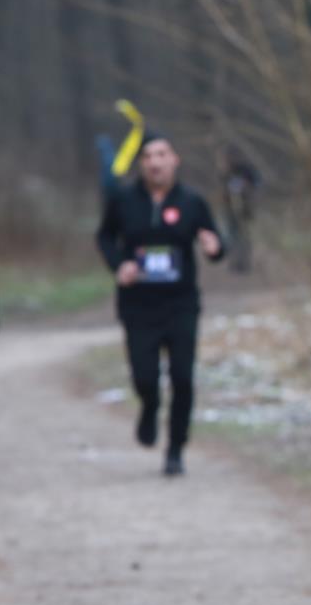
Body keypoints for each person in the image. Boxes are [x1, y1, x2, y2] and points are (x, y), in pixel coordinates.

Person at [95, 133, 225, 476]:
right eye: (148, 156)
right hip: (138, 305)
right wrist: (119, 265)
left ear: (174, 160)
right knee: (145, 376)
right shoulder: (123, 200)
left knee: (182, 377)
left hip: (180, 304)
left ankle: (176, 450)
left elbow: (214, 240)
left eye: (161, 154)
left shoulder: (192, 201)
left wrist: (214, 247)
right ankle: (149, 406)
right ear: (141, 164)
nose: (155, 162)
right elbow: (104, 236)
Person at [218, 145, 261, 275]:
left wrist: (247, 189)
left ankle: (244, 262)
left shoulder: (246, 170)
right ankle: (234, 262)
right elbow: (223, 189)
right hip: (230, 209)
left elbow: (257, 183)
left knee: (244, 236)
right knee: (232, 236)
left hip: (245, 208)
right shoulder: (227, 172)